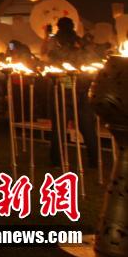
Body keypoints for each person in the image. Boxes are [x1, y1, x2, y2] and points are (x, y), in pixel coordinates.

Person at [47, 17, 99, 168]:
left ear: (58, 27)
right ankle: (94, 159)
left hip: (64, 85)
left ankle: (57, 159)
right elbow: (91, 58)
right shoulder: (80, 41)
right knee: (87, 125)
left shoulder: (56, 42)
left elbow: (50, 59)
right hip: (81, 86)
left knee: (59, 126)